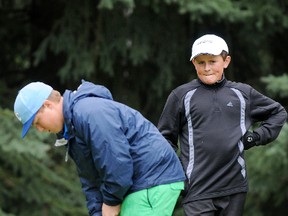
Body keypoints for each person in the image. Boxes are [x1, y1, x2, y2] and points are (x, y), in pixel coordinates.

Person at [157, 34, 287, 216]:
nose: (207, 67)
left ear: (226, 61)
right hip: (197, 190)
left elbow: (278, 112)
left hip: (234, 188)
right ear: (194, 63)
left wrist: (256, 137)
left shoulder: (242, 93)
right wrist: (177, 172)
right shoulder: (181, 96)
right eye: (201, 62)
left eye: (212, 61)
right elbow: (164, 139)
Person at [14, 80, 186, 216]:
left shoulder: (89, 112)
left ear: (47, 105)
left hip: (153, 179)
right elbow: (90, 179)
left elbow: (117, 160)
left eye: (37, 122)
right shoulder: (71, 130)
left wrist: (111, 201)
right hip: (134, 184)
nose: (40, 130)